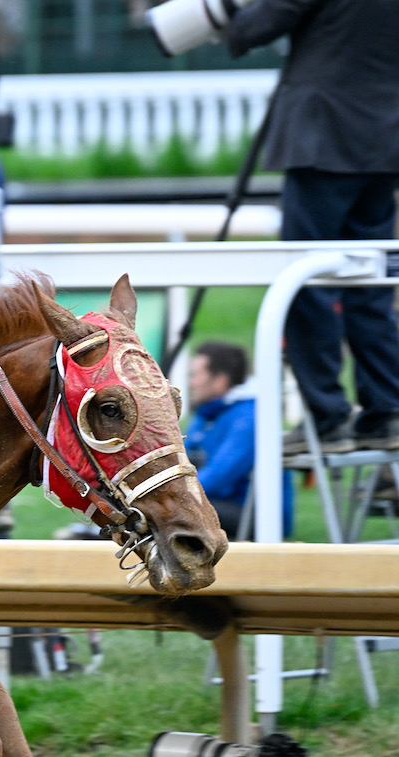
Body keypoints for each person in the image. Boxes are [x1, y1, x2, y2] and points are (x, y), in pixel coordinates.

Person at [224, 0, 399, 455]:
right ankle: (385, 411)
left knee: (307, 282)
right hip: (384, 141)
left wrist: (228, 14)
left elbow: (254, 28)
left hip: (324, 135)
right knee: (372, 284)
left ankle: (326, 417)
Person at [186, 341, 294, 539]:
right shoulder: (208, 411)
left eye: (197, 375)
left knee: (167, 513)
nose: (192, 383)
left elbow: (219, 477)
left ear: (220, 381)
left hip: (255, 515)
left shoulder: (251, 416)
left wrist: (172, 495)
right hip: (220, 501)